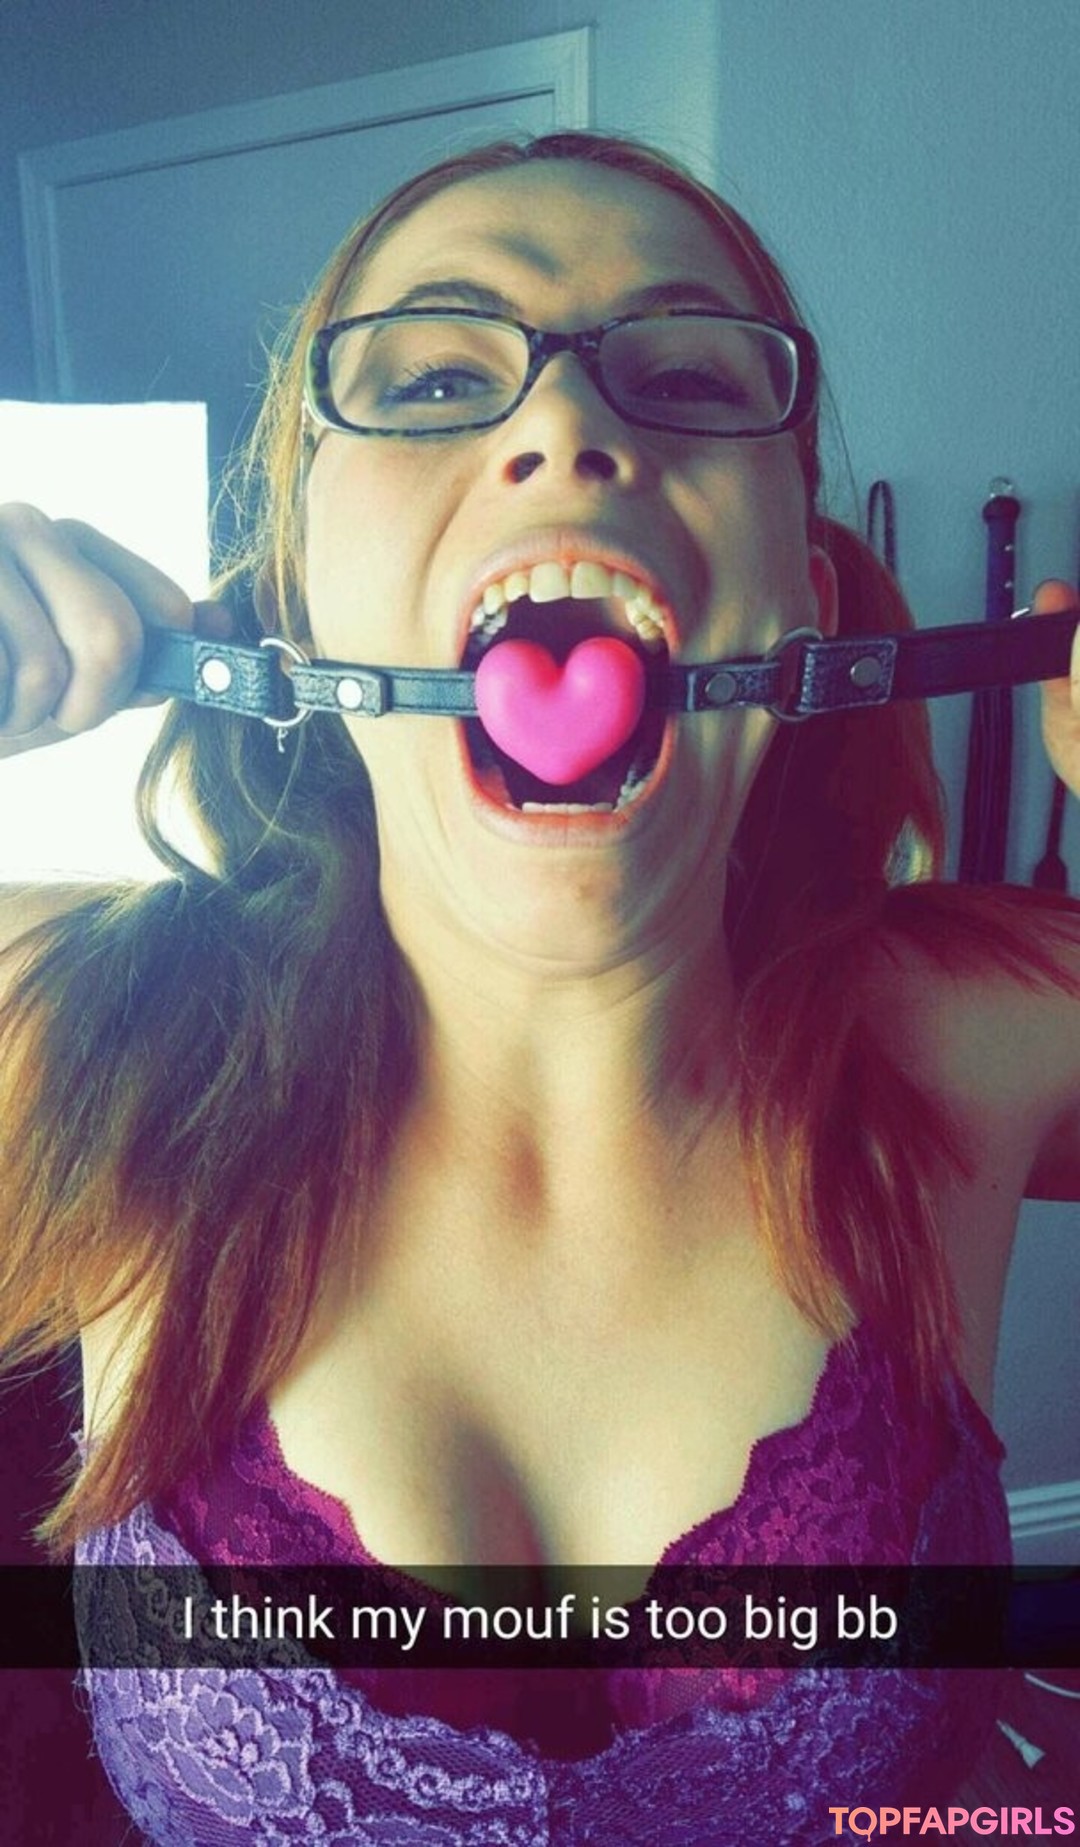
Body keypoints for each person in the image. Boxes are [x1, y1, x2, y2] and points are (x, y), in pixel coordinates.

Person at [0, 131, 1077, 1844]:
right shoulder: (66, 1032)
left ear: (805, 605)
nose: (566, 426)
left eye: (687, 377)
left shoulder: (969, 1030)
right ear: (296, 606)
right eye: (434, 377)